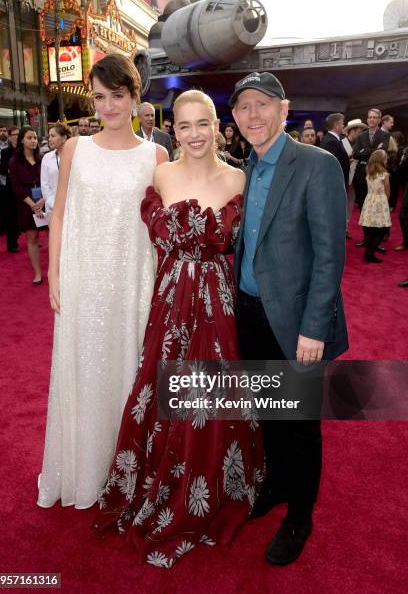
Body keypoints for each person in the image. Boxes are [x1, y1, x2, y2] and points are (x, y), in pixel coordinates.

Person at [93, 89, 264, 567]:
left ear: (216, 125)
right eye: (184, 125)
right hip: (168, 300)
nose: (193, 134)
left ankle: (207, 485)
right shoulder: (161, 173)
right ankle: (158, 482)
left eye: (202, 124)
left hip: (215, 303)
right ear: (175, 128)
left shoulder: (239, 178)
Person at [37, 54, 168, 510]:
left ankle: (128, 473)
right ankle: (84, 471)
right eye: (99, 97)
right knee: (83, 370)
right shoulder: (76, 148)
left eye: (117, 96)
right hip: (82, 280)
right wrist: (54, 273)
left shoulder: (156, 155)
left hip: (135, 282)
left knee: (128, 373)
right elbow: (58, 216)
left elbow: (163, 224)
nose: (108, 106)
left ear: (135, 97)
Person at [230, 72, 348, 566]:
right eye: (243, 107)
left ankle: (300, 515)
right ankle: (277, 485)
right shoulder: (245, 168)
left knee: (300, 424)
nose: (253, 115)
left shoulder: (316, 165)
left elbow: (329, 254)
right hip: (250, 314)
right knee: (270, 415)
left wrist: (313, 329)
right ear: (233, 119)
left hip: (299, 323)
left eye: (263, 104)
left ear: (284, 108)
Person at [9, 127, 43, 284]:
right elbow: (16, 187)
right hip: (26, 204)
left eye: (35, 138)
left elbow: (51, 182)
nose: (33, 140)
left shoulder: (42, 158)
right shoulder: (14, 162)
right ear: (22, 140)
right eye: (30, 137)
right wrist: (33, 205)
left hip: (46, 202)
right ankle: (38, 273)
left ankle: (56, 270)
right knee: (32, 237)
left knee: (53, 236)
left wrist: (43, 202)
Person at [359, 149, 391, 263]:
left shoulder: (368, 171)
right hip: (380, 202)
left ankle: (367, 254)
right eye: (385, 157)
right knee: (380, 229)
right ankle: (370, 255)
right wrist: (384, 201)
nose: (387, 159)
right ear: (381, 160)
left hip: (369, 201)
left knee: (368, 229)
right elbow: (388, 191)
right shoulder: (385, 174)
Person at [0, 126, 20, 252]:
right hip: (9, 189)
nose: (16, 136)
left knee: (26, 215)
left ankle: (32, 239)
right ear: (10, 137)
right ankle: (12, 243)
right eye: (14, 134)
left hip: (25, 187)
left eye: (18, 134)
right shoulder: (6, 152)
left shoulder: (26, 150)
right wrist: (11, 171)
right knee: (12, 217)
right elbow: (2, 170)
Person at [41, 123, 71, 218]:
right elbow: (44, 185)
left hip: (71, 207)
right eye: (49, 136)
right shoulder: (47, 157)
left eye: (53, 136)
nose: (49, 139)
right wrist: (54, 204)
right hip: (52, 207)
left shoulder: (74, 156)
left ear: (64, 138)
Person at [320, 113, 350, 186]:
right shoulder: (331, 141)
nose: (343, 126)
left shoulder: (334, 139)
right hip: (336, 182)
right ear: (336, 125)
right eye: (342, 124)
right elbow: (333, 165)